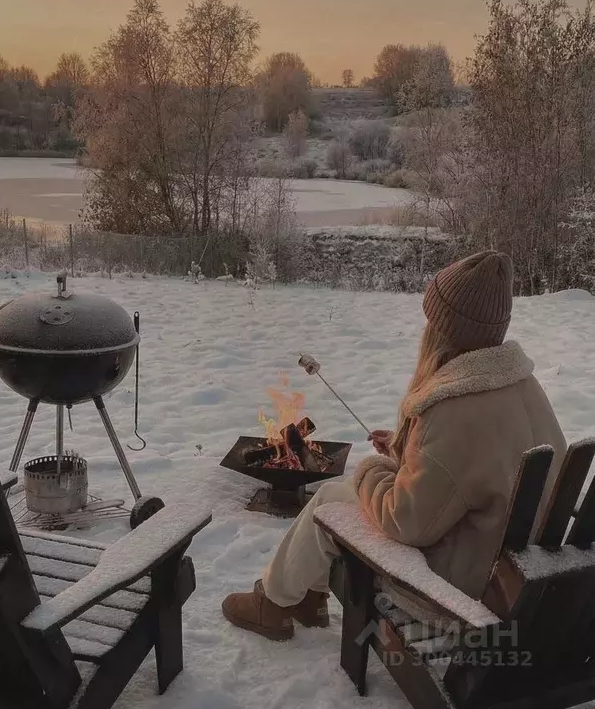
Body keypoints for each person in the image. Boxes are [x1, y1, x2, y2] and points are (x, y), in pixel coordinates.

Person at [222, 251, 567, 640]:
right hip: (512, 571)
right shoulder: (523, 385)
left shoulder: (453, 409)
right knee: (340, 495)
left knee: (331, 499)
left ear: (444, 329)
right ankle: (303, 599)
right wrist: (410, 451)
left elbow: (404, 522)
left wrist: (372, 468)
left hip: (460, 589)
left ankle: (273, 603)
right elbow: (472, 469)